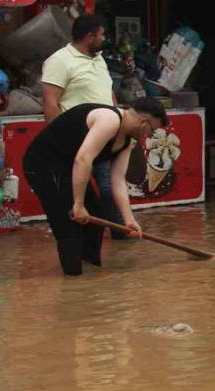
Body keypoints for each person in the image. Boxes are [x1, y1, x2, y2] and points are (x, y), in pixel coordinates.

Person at [22, 98, 168, 276]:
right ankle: (73, 281)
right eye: (151, 131)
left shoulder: (128, 141)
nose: (149, 135)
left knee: (95, 217)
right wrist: (78, 204)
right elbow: (83, 159)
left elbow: (118, 180)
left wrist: (129, 219)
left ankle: (90, 275)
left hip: (68, 167)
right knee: (69, 226)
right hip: (42, 164)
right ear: (143, 121)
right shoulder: (109, 120)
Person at [41, 14, 128, 238]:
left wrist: (120, 122)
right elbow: (51, 104)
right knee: (78, 191)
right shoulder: (59, 61)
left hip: (106, 133)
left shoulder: (98, 59)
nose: (104, 38)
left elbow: (108, 93)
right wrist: (58, 141)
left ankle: (120, 232)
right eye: (101, 34)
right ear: (89, 36)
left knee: (108, 187)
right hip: (77, 137)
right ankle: (81, 236)